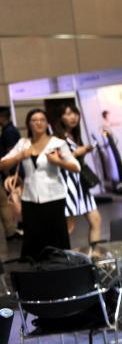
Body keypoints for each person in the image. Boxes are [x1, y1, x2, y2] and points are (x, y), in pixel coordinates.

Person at [0, 109, 79, 260]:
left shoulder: (57, 143)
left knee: (56, 241)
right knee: (33, 242)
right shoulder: (23, 144)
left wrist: (58, 161)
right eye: (34, 120)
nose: (38, 123)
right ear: (28, 124)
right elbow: (2, 164)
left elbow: (76, 167)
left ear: (47, 123)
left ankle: (61, 270)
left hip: (54, 198)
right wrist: (19, 156)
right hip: (30, 199)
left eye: (42, 120)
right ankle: (35, 271)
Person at [55, 104, 101, 245]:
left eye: (75, 113)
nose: (73, 117)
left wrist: (83, 152)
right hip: (67, 185)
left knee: (96, 220)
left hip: (80, 183)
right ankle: (58, 255)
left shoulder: (74, 136)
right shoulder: (57, 139)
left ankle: (95, 254)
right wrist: (76, 153)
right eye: (68, 114)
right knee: (68, 227)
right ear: (60, 118)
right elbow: (56, 162)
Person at [0, 107, 23, 241]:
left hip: (12, 172)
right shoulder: (8, 130)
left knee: (14, 199)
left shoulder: (8, 132)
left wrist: (9, 173)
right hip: (12, 172)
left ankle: (20, 226)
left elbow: (10, 154)